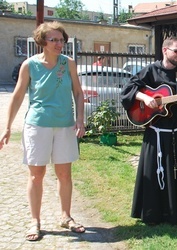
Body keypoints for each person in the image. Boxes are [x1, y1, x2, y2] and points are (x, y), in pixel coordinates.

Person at [0, 21, 86, 241]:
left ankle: (66, 217)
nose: (59, 44)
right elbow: (18, 96)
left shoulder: (69, 64)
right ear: (42, 41)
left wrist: (79, 119)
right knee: (36, 175)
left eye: (61, 40)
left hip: (65, 125)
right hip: (37, 125)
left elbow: (77, 92)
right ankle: (35, 221)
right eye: (54, 40)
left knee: (64, 174)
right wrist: (7, 127)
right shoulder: (29, 65)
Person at [120, 36, 177, 225]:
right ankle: (153, 213)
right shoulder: (150, 71)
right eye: (176, 51)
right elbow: (128, 90)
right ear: (165, 50)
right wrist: (144, 98)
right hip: (156, 133)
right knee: (153, 173)